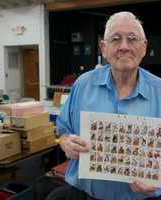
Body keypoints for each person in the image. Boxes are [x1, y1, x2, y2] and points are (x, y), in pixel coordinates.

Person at [56, 11, 161, 200]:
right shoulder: (83, 84)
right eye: (115, 39)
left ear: (144, 47)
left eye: (132, 39)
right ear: (103, 48)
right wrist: (66, 143)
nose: (124, 47)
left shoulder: (159, 91)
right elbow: (63, 131)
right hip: (84, 196)